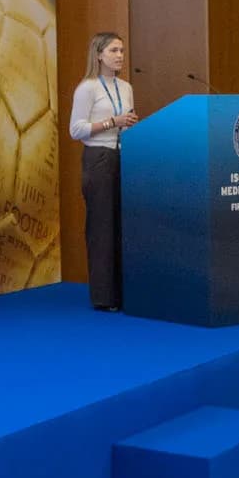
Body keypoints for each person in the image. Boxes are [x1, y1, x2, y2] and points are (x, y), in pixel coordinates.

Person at [68, 32, 137, 311]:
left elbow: (126, 120)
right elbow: (76, 129)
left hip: (125, 155)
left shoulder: (126, 86)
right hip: (98, 157)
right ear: (99, 55)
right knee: (102, 227)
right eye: (113, 50)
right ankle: (103, 296)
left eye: (121, 50)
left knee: (123, 226)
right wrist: (112, 122)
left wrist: (128, 125)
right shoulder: (88, 88)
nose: (120, 55)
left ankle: (123, 292)